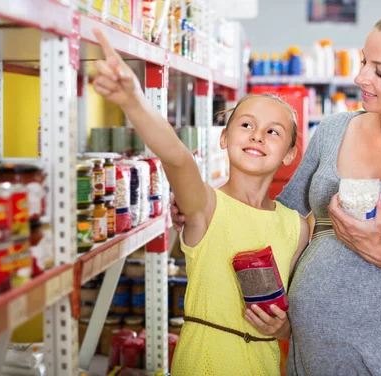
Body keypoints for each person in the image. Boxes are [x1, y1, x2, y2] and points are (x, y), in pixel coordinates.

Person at [172, 11, 381, 375]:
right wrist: (204, 208)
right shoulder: (335, 128)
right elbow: (275, 213)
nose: (361, 78)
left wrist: (378, 252)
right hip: (317, 345)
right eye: (363, 62)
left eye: (380, 72)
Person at [91, 29, 310, 375]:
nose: (257, 135)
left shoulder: (296, 227)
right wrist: (132, 99)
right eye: (247, 124)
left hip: (264, 364)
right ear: (224, 138)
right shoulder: (206, 205)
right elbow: (178, 158)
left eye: (273, 131)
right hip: (203, 360)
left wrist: (282, 328)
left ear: (290, 153)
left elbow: (294, 314)